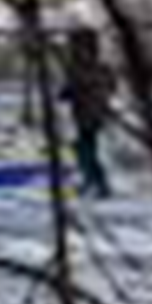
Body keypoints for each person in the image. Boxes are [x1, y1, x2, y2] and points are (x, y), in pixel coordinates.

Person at [60, 28, 117, 198]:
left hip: (92, 113)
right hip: (83, 113)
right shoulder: (79, 67)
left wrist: (84, 91)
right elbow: (70, 89)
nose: (75, 50)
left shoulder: (95, 68)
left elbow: (110, 87)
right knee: (82, 147)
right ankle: (91, 181)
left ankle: (101, 184)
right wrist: (67, 93)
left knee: (86, 149)